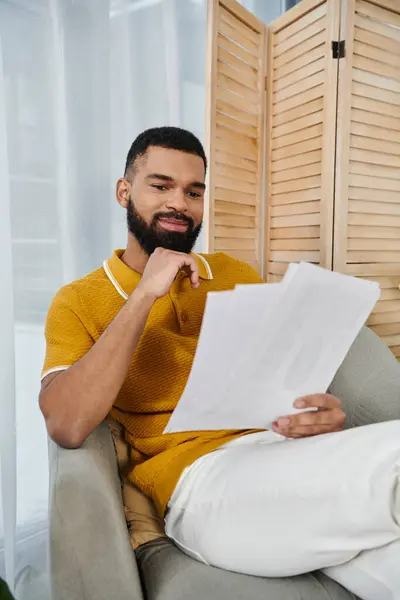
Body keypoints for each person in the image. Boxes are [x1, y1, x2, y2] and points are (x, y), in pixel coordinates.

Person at [40, 126, 400, 600]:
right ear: (124, 192)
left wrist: (322, 420)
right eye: (161, 185)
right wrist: (147, 290)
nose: (179, 203)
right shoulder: (76, 301)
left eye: (194, 191)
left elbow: (277, 385)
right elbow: (66, 424)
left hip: (292, 461)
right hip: (202, 487)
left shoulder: (234, 274)